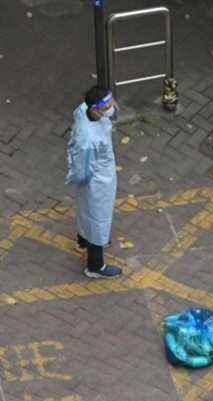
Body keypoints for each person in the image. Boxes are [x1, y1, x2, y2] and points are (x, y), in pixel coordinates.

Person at [65, 86, 122, 279]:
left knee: (86, 212)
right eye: (106, 106)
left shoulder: (84, 110)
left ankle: (82, 241)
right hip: (97, 181)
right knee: (98, 219)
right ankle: (95, 265)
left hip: (99, 175)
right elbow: (82, 169)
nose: (111, 108)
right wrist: (89, 183)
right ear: (95, 110)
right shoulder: (87, 138)